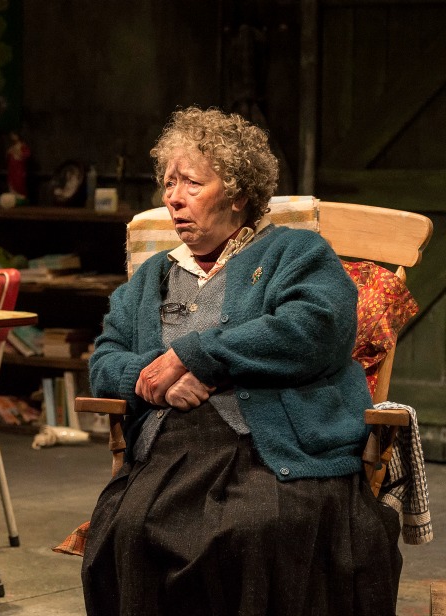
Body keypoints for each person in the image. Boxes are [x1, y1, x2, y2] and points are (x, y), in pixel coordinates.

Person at [80, 107, 402, 615]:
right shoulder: (150, 279)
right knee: (126, 530)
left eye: (192, 182)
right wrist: (154, 382)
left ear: (237, 193)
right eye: (168, 182)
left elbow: (315, 330)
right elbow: (104, 359)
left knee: (255, 531)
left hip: (275, 451)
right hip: (170, 453)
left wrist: (194, 354)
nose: (174, 197)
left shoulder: (295, 253)